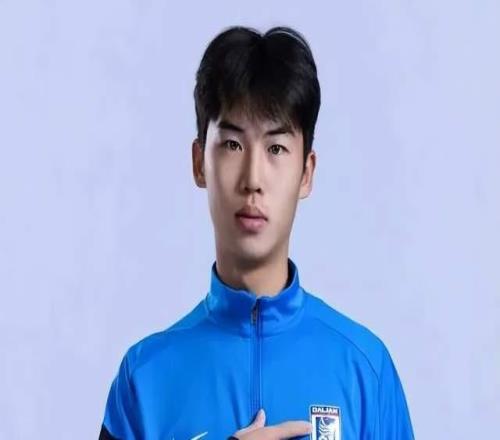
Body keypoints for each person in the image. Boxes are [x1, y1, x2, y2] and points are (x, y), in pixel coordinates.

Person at [99, 25, 415, 440]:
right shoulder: (144, 380)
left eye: (276, 148)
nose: (253, 179)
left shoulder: (366, 372)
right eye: (232, 145)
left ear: (306, 173)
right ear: (199, 162)